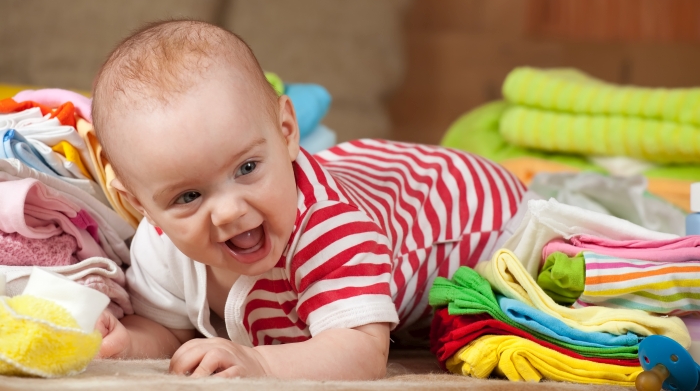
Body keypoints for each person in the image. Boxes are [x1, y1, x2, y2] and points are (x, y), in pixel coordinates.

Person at [92, 20, 525, 380]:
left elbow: (361, 351)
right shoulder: (161, 244)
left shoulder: (331, 230)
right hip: (370, 176)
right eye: (188, 195)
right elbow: (167, 330)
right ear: (141, 206)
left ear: (286, 133)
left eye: (246, 169)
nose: (229, 210)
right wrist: (126, 341)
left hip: (472, 211)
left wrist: (259, 362)